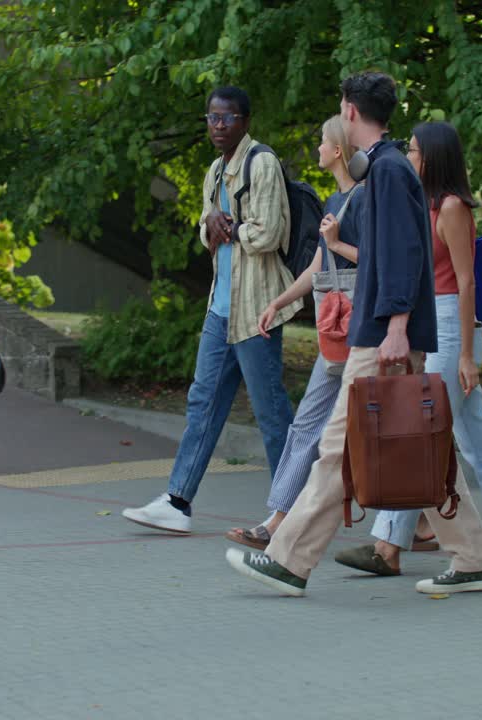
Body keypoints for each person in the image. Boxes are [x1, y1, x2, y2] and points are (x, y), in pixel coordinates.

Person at [225, 72, 482, 597]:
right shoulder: (389, 168)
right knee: (426, 447)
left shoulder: (391, 171)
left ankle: (288, 561)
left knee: (336, 449)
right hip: (379, 330)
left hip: (381, 334)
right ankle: (474, 559)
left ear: (349, 111)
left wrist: (396, 327)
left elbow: (402, 254)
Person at [334, 122, 482, 579]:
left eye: (414, 151)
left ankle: (385, 546)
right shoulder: (422, 203)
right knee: (475, 438)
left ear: (433, 156)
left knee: (419, 432)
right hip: (432, 319)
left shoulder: (452, 208)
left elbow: (466, 280)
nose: (408, 157)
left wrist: (466, 356)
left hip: (453, 322)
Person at [123, 87, 301, 534]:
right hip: (220, 309)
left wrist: (230, 226)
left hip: (256, 308)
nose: (218, 126)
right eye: (212, 118)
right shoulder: (215, 171)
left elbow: (270, 233)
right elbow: (206, 231)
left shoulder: (261, 163)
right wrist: (211, 225)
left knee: (272, 412)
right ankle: (177, 501)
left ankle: (294, 507)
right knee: (202, 404)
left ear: (245, 120)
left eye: (227, 118)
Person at [224, 115, 362, 549]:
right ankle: (277, 521)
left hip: (363, 333)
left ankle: (418, 524)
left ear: (338, 150)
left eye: (323, 142)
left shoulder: (364, 200)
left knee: (368, 431)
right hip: (334, 334)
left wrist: (338, 243)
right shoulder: (335, 203)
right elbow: (319, 267)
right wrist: (279, 302)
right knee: (306, 426)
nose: (317, 149)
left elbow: (377, 259)